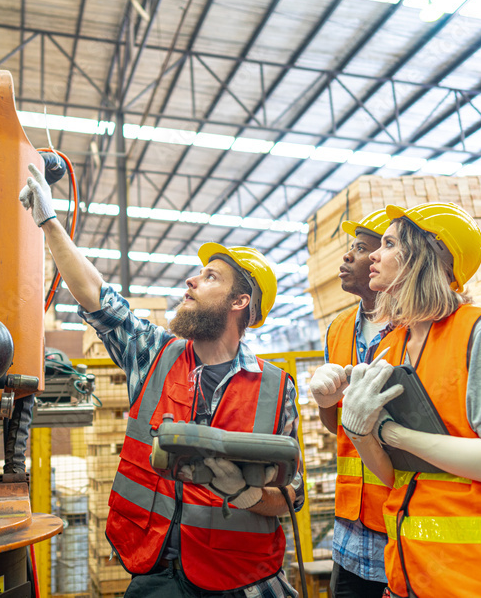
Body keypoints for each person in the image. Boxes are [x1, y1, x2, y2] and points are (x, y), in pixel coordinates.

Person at [19, 164, 303, 598]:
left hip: (239, 579)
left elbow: (290, 497)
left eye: (211, 276)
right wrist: (49, 223)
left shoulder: (276, 389)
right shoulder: (155, 353)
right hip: (154, 571)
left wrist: (244, 493)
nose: (191, 279)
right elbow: (98, 296)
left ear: (240, 302)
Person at [340, 202, 481, 598]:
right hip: (416, 576)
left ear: (424, 256)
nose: (373, 255)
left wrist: (392, 433)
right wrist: (359, 429)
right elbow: (391, 476)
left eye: (389, 243)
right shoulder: (393, 347)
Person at [309, 209, 390, 597]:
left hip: (398, 527)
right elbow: (336, 424)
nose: (347, 257)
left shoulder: (417, 325)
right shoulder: (339, 327)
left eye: (361, 249)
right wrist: (326, 402)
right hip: (348, 533)